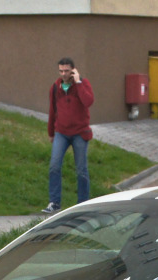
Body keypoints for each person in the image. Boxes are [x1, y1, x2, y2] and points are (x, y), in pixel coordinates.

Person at [45, 57, 94, 214]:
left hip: (80, 132)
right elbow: (53, 110)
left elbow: (88, 101)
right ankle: (54, 202)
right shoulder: (55, 87)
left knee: (81, 169)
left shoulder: (83, 84)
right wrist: (51, 133)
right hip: (62, 132)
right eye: (61, 71)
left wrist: (78, 83)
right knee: (54, 165)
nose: (63, 74)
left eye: (66, 71)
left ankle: (83, 203)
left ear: (73, 70)